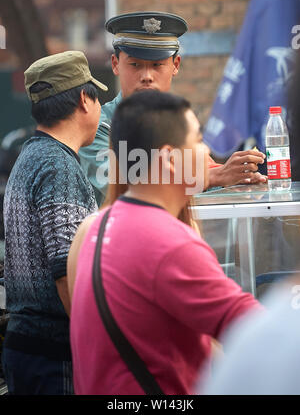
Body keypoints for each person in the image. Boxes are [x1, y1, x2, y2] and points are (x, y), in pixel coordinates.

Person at [67, 90, 262, 395]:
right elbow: (259, 332)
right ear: (171, 159)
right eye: (198, 139)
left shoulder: (93, 228)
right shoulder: (171, 244)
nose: (206, 149)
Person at [79, 11, 267, 206]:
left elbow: (208, 170)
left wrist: (238, 179)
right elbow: (120, 186)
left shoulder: (181, 123)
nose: (147, 76)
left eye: (157, 65)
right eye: (135, 64)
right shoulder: (100, 127)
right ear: (115, 64)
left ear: (175, 65)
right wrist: (211, 178)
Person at [2, 50, 108, 395]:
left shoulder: (31, 155)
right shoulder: (58, 167)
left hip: (27, 351)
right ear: (83, 99)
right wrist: (98, 347)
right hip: (54, 359)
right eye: (97, 97)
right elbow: (67, 271)